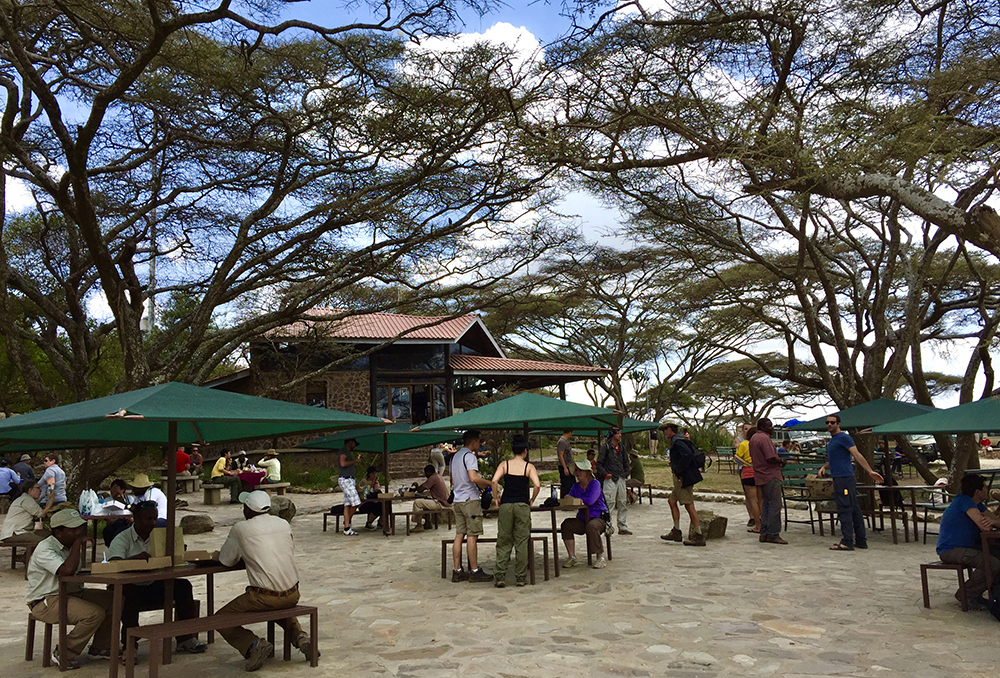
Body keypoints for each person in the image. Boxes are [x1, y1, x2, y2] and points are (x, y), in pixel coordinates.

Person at [216, 491, 314, 671]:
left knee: (221, 618)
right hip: (293, 593)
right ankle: (301, 638)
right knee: (280, 603)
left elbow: (226, 560)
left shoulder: (241, 528)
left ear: (247, 509)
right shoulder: (283, 524)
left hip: (265, 597)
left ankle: (253, 644)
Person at [107, 501, 207, 654]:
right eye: (148, 519)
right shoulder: (122, 539)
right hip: (131, 588)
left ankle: (186, 638)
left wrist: (176, 552)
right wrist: (134, 560)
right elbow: (114, 563)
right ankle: (130, 646)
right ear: (136, 519)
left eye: (155, 518)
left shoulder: (160, 536)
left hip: (153, 585)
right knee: (128, 595)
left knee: (183, 586)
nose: (153, 523)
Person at [26, 508, 114, 669]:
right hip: (46, 601)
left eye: (81, 528)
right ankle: (65, 652)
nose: (80, 532)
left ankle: (101, 647)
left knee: (113, 599)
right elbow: (66, 571)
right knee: (93, 614)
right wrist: (77, 544)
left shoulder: (67, 546)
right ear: (58, 532)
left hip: (72, 593)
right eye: (74, 529)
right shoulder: (45, 549)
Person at [818, 414, 884, 551]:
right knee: (854, 508)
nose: (829, 424)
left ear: (838, 424)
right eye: (827, 422)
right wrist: (824, 467)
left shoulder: (844, 438)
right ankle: (861, 540)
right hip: (839, 477)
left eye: (832, 422)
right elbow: (835, 460)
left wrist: (870, 471)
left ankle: (847, 541)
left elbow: (857, 454)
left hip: (845, 479)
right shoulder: (833, 441)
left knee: (845, 508)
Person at [936, 473, 1000, 609]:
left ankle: (981, 593)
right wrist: (992, 522)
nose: (987, 490)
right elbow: (986, 527)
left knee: (996, 556)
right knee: (992, 563)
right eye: (985, 487)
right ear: (977, 491)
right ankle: (966, 594)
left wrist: (994, 521)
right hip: (951, 549)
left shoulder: (978, 505)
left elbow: (994, 521)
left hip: (966, 547)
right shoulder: (964, 501)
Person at [491, 436, 541, 587]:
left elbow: (494, 481)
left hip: (506, 504)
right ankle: (520, 577)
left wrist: (495, 498)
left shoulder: (505, 464)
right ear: (525, 451)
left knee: (504, 540)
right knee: (521, 542)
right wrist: (532, 499)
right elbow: (537, 485)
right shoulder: (529, 467)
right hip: (522, 505)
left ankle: (500, 575)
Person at [450, 429, 493, 583]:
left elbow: (452, 478)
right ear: (473, 442)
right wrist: (489, 483)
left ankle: (457, 570)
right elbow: (473, 477)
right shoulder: (470, 456)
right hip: (470, 500)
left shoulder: (455, 456)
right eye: (478, 441)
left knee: (459, 534)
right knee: (472, 535)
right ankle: (474, 570)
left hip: (458, 499)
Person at [659, 424, 705, 546]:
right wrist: (675, 463)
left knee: (689, 505)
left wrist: (679, 469)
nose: (664, 433)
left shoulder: (678, 441)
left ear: (670, 429)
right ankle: (676, 531)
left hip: (683, 478)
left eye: (665, 430)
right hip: (681, 477)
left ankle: (698, 535)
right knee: (672, 501)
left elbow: (687, 456)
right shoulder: (679, 440)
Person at [560, 459, 609, 569]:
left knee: (592, 526)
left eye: (580, 470)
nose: (577, 473)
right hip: (582, 518)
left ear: (587, 472)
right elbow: (568, 498)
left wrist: (578, 500)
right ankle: (572, 556)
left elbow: (590, 500)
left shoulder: (595, 484)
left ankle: (600, 557)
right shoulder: (576, 486)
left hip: (598, 517)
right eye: (576, 470)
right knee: (566, 525)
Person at [750, 418, 787, 545]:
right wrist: (781, 461)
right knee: (775, 505)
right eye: (769, 426)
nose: (772, 428)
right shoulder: (765, 438)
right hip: (770, 474)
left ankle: (764, 532)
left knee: (766, 504)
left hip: (760, 474)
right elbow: (770, 457)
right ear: (762, 427)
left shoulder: (754, 438)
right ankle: (773, 533)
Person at [596, 428, 631, 535]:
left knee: (622, 502)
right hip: (610, 478)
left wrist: (626, 473)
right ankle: (607, 525)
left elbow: (626, 462)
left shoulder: (621, 448)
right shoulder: (605, 448)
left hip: (620, 477)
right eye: (618, 433)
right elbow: (599, 463)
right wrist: (605, 474)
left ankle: (622, 526)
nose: (620, 435)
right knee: (609, 502)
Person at [735, 426, 761, 532]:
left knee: (752, 501)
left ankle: (757, 525)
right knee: (761, 500)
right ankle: (763, 522)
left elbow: (737, 458)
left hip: (748, 473)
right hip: (760, 473)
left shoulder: (744, 444)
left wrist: (747, 464)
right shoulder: (760, 444)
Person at [412, 464, 451, 531]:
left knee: (417, 502)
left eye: (425, 473)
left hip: (440, 503)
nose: (425, 475)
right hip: (444, 501)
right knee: (425, 502)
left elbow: (421, 489)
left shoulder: (433, 478)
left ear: (429, 472)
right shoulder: (438, 476)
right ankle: (427, 523)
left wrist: (416, 487)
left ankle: (419, 525)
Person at [337, 438, 362, 535]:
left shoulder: (347, 452)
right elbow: (343, 463)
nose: (355, 446)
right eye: (354, 444)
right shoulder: (343, 451)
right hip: (345, 479)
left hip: (350, 479)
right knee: (356, 502)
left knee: (347, 504)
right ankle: (347, 521)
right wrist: (355, 461)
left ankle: (347, 527)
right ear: (350, 442)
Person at [101, 478, 135, 546]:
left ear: (122, 490)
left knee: (120, 531)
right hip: (114, 521)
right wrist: (108, 519)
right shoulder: (107, 500)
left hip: (125, 521)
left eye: (115, 489)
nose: (113, 491)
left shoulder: (129, 499)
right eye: (111, 489)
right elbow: (103, 512)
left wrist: (123, 502)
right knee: (107, 531)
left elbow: (132, 510)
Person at [355, 466, 386, 532]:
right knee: (377, 507)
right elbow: (363, 490)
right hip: (364, 502)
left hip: (373, 501)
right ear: (369, 474)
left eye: (375, 473)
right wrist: (371, 484)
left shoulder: (376, 482)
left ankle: (381, 521)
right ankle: (369, 523)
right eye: (373, 473)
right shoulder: (364, 481)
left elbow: (376, 490)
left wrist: (375, 483)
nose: (374, 475)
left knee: (384, 505)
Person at [556, 429, 575, 497]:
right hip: (565, 466)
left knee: (572, 483)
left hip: (569, 465)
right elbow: (560, 455)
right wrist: (565, 468)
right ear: (569, 433)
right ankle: (564, 499)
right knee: (566, 485)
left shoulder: (566, 442)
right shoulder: (562, 442)